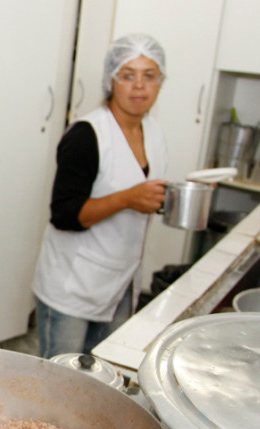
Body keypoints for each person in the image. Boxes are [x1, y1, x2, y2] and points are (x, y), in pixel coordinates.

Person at [32, 33, 168, 359]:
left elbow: (147, 190)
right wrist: (128, 198)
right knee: (60, 381)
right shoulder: (86, 135)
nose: (139, 86)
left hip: (120, 281)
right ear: (111, 81)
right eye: (128, 75)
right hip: (73, 284)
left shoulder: (154, 133)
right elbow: (64, 214)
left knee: (103, 374)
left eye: (149, 76)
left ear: (160, 82)